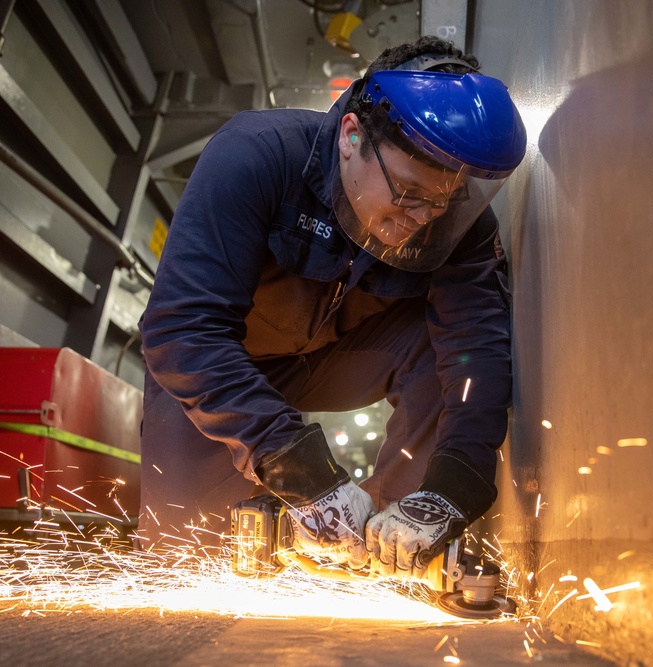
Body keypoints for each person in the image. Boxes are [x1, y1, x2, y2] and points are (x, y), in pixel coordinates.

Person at [138, 35, 527, 576]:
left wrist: (456, 484)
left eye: (441, 201)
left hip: (339, 358)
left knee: (443, 354)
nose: (423, 217)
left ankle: (385, 540)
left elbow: (477, 360)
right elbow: (180, 329)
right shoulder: (257, 156)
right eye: (408, 191)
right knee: (180, 556)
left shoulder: (454, 223)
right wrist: (305, 475)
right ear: (351, 136)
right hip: (225, 364)